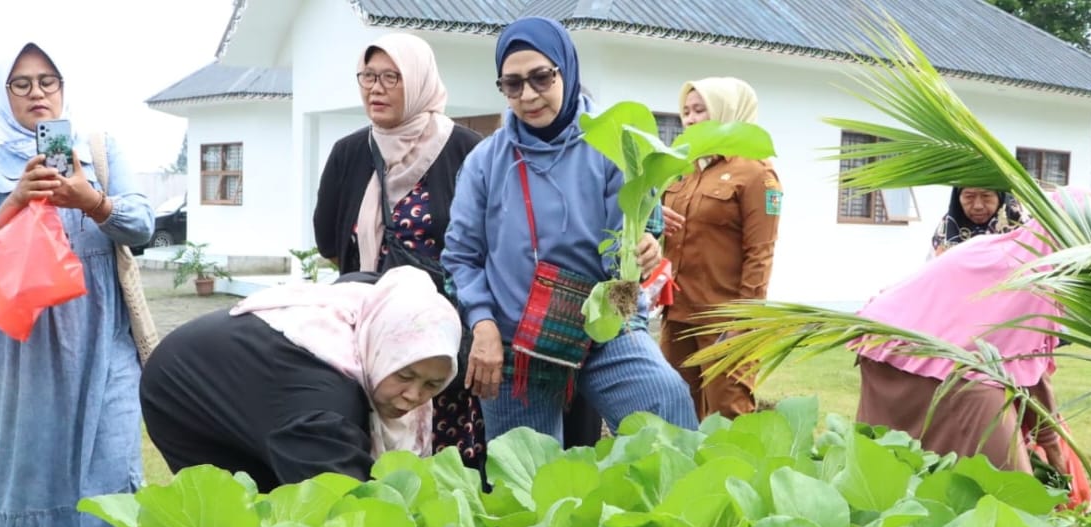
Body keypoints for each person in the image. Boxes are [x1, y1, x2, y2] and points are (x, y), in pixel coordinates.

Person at [442, 17, 697, 442]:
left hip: (603, 331)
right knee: (527, 467)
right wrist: (482, 324)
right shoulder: (485, 162)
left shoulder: (613, 145)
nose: (528, 95)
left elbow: (639, 233)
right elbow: (460, 257)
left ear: (566, 69)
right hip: (516, 345)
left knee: (665, 402)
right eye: (512, 84)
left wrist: (643, 251)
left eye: (541, 78)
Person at [0, 41, 155, 527]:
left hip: (103, 338)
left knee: (112, 466)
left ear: (63, 87)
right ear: (4, 95)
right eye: (21, 84)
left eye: (48, 81)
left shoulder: (100, 151)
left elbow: (142, 225)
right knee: (33, 475)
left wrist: (92, 200)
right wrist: (15, 202)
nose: (37, 93)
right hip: (23, 350)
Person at [311, 34, 490, 470]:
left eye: (392, 77)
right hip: (376, 342)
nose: (376, 88)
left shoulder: (467, 151)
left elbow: (487, 247)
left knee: (446, 467)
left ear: (419, 80)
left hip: (443, 344)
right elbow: (330, 243)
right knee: (373, 457)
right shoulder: (349, 153)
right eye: (368, 76)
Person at [139, 268, 461, 491]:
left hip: (255, 374)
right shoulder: (324, 412)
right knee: (249, 508)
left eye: (432, 385)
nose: (414, 395)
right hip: (183, 393)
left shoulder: (381, 311)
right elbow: (346, 505)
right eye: (404, 375)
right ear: (381, 352)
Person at [855, 222, 1065, 474]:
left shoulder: (992, 247)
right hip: (902, 348)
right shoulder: (1036, 278)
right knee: (1011, 481)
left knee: (899, 467)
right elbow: (1031, 374)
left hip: (887, 339)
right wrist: (1052, 446)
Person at [660, 77, 780, 420]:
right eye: (686, 111)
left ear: (728, 112)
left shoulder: (756, 172)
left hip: (723, 319)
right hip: (677, 314)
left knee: (728, 415)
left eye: (700, 110)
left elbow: (760, 253)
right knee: (675, 412)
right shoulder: (681, 168)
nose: (690, 119)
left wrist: (743, 323)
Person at [931, 187, 1026, 256]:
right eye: (969, 197)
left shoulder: (1024, 230)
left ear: (1000, 198)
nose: (978, 206)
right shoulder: (945, 232)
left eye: (986, 196)